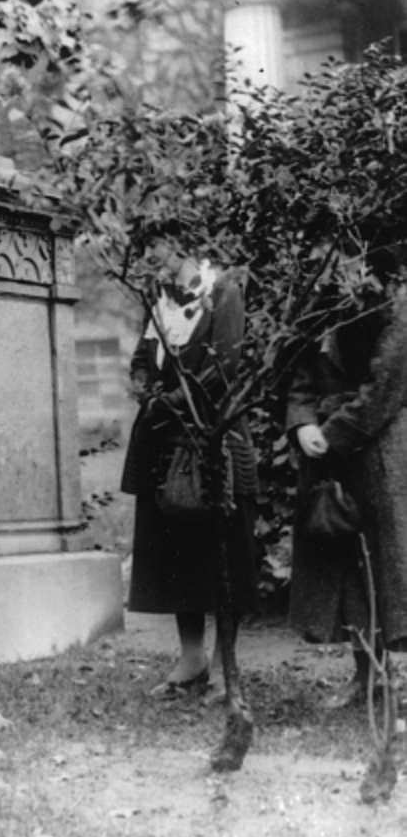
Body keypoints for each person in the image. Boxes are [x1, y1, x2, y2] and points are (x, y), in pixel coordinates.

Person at [120, 246, 260, 696]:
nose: (157, 264)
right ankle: (191, 658)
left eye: (163, 253)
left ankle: (224, 666)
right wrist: (145, 391)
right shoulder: (160, 299)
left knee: (222, 552)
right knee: (175, 552)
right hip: (164, 442)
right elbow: (142, 358)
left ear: (187, 250)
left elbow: (223, 369)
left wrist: (170, 404)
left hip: (212, 438)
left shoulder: (224, 293)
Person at [287, 252, 407, 708]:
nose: (337, 264)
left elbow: (385, 389)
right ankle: (367, 676)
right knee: (348, 568)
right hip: (327, 454)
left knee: (394, 565)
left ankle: (394, 678)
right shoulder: (318, 304)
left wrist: (331, 433)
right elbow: (299, 374)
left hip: (382, 452)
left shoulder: (395, 304)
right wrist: (301, 425)